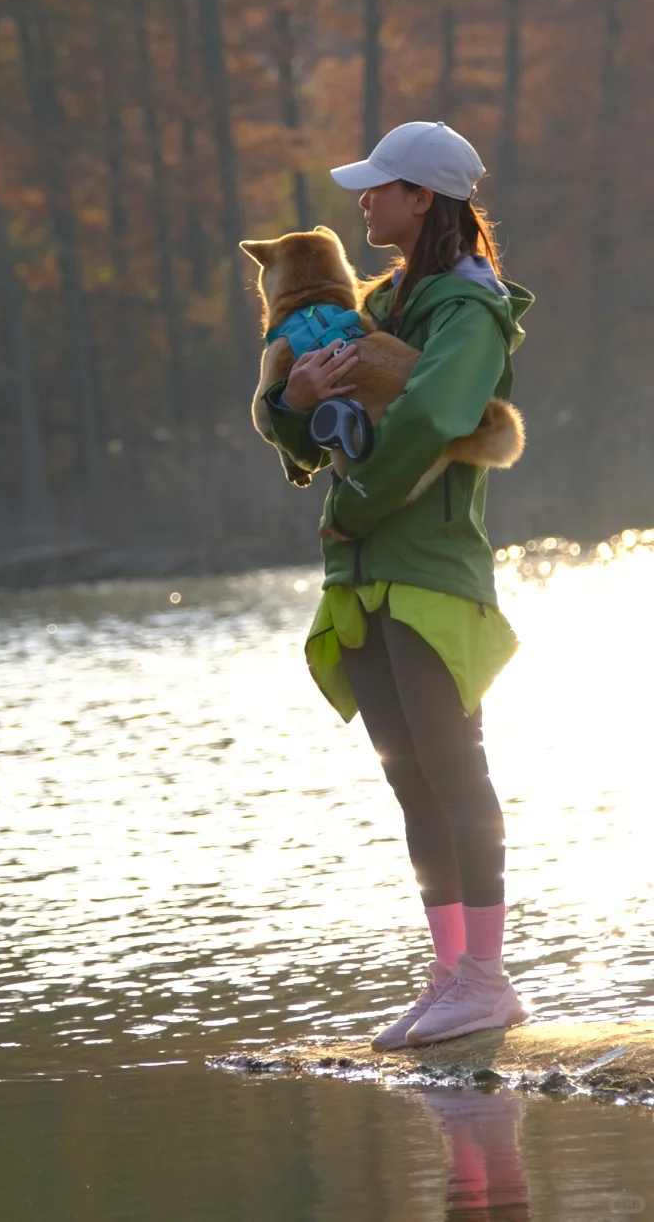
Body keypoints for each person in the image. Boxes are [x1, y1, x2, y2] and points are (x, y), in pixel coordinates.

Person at [263, 121, 534, 1049]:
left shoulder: (467, 309)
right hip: (368, 573)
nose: (365, 201)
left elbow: (432, 418)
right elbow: (317, 428)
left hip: (427, 571)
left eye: (381, 188)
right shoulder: (382, 300)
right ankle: (451, 971)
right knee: (410, 778)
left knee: (456, 770)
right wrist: (290, 404)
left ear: (425, 199)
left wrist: (357, 510)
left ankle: (488, 977)